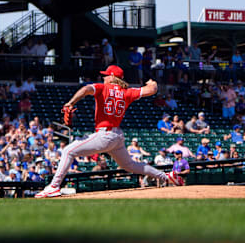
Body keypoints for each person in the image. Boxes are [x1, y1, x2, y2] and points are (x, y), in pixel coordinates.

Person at [36, 65, 167, 198]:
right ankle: (165, 176)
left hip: (105, 134)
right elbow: (152, 89)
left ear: (112, 77)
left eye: (106, 75)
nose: (104, 77)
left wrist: (71, 102)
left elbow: (86, 89)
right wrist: (152, 83)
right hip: (117, 136)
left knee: (68, 151)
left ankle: (53, 186)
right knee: (129, 165)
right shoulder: (127, 91)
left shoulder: (103, 87)